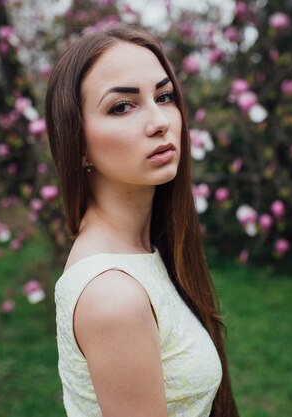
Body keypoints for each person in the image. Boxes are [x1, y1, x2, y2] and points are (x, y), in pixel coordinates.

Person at [45, 23, 239, 417]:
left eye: (164, 96)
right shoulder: (112, 297)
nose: (159, 121)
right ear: (79, 145)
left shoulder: (147, 247)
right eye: (122, 106)